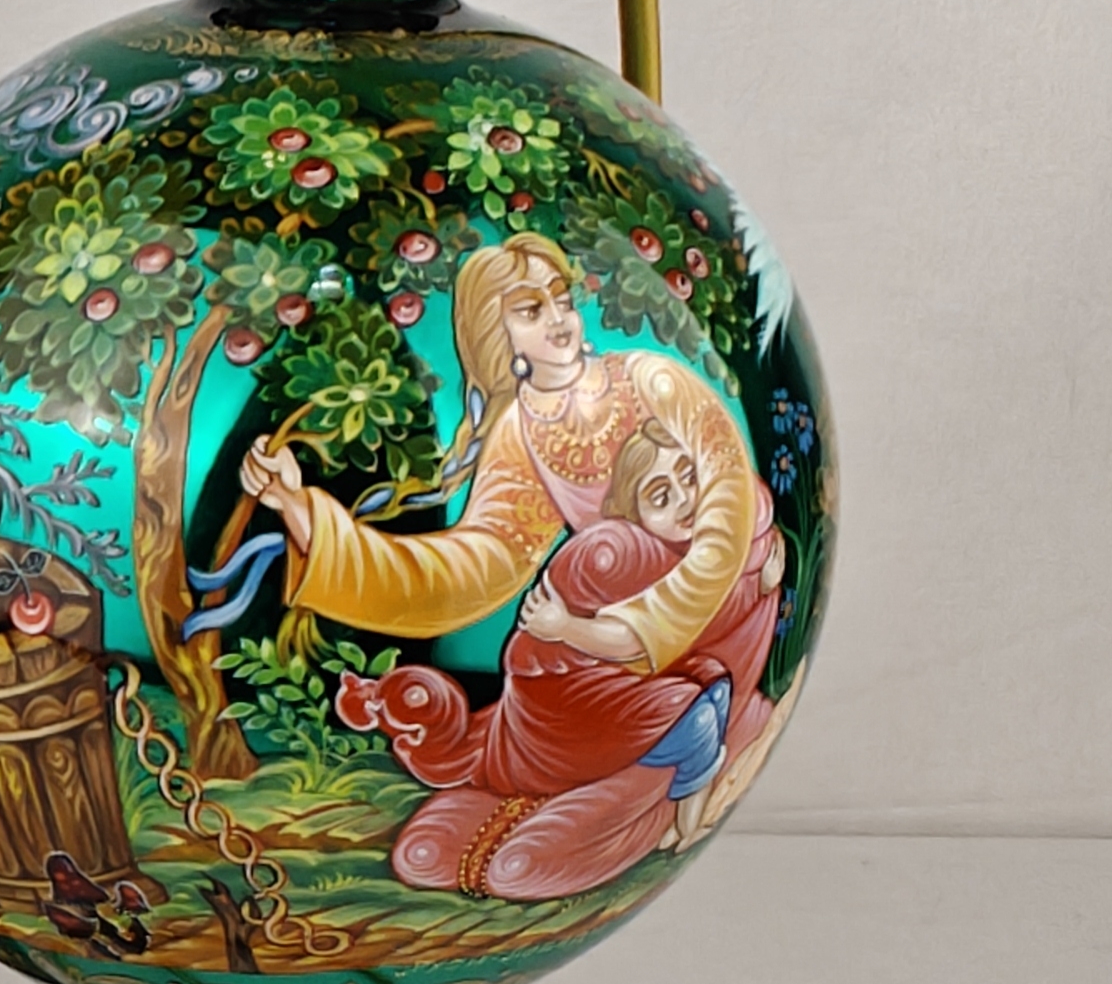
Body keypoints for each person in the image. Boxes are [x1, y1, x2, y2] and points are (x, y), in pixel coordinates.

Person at [241, 236, 783, 899]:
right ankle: (640, 760)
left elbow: (726, 488)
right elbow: (464, 573)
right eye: (530, 310)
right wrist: (302, 513)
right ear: (500, 338)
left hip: (708, 609)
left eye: (561, 300)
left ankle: (691, 723)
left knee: (600, 557)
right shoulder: (523, 435)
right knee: (535, 661)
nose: (557, 319)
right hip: (615, 641)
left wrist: (641, 626)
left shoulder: (650, 379)